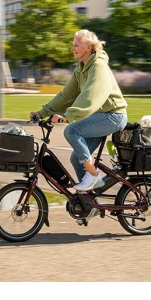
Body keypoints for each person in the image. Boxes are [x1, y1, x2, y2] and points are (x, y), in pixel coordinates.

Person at [30, 29, 128, 191]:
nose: (72, 48)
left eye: (76, 45)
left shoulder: (99, 66)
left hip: (113, 117)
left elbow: (92, 95)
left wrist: (68, 116)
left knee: (72, 131)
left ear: (88, 47)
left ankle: (93, 176)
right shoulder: (81, 67)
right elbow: (66, 95)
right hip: (99, 117)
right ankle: (88, 202)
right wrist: (43, 112)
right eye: (72, 45)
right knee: (77, 159)